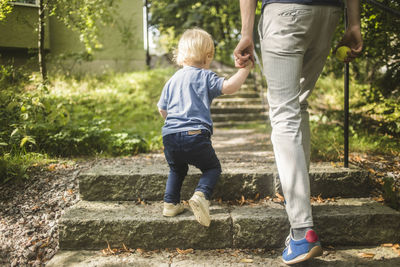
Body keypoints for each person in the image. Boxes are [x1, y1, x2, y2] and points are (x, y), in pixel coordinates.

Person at [234, 0, 362, 264]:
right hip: (327, 12)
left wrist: (246, 31)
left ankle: (303, 232)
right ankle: (296, 199)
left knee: (284, 112)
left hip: (285, 12)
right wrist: (354, 23)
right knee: (297, 104)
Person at [158, 28, 253, 227]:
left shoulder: (172, 80)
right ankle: (201, 194)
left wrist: (174, 126)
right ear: (208, 56)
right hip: (195, 135)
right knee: (212, 168)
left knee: (176, 168)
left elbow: (162, 109)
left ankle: (170, 203)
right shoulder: (205, 76)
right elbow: (228, 87)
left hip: (170, 136)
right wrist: (244, 70)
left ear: (181, 54)